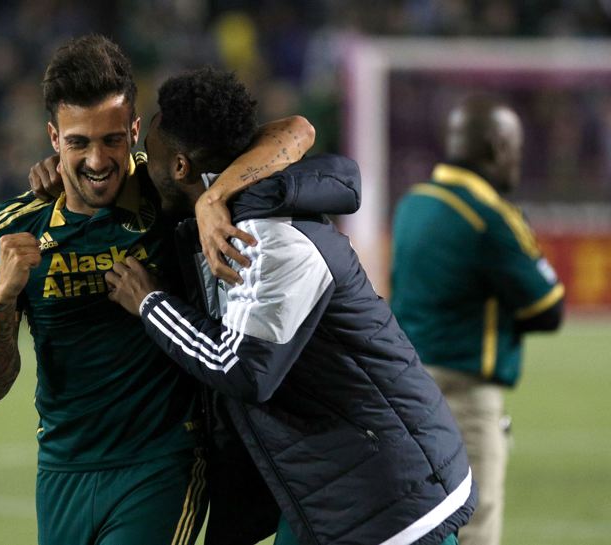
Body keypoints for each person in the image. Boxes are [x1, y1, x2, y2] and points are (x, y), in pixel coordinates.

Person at [0, 34, 315, 545]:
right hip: (61, 471)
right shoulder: (11, 230)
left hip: (163, 464)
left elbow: (296, 131)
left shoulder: (167, 192)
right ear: (53, 138)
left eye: (112, 139)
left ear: (134, 130)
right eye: (79, 142)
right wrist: (5, 296)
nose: (98, 160)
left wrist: (213, 196)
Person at [105, 67, 476, 545]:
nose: (141, 165)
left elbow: (244, 369)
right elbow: (293, 129)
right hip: (338, 490)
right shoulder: (225, 215)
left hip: (392, 499)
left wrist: (150, 303)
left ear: (180, 167)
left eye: (148, 154)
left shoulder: (267, 237)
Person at [390, 95, 565, 545]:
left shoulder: (413, 203)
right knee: (473, 531)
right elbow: (548, 309)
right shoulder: (490, 216)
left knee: (414, 527)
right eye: (516, 151)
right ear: (494, 147)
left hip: (405, 389)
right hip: (465, 394)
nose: (517, 163)